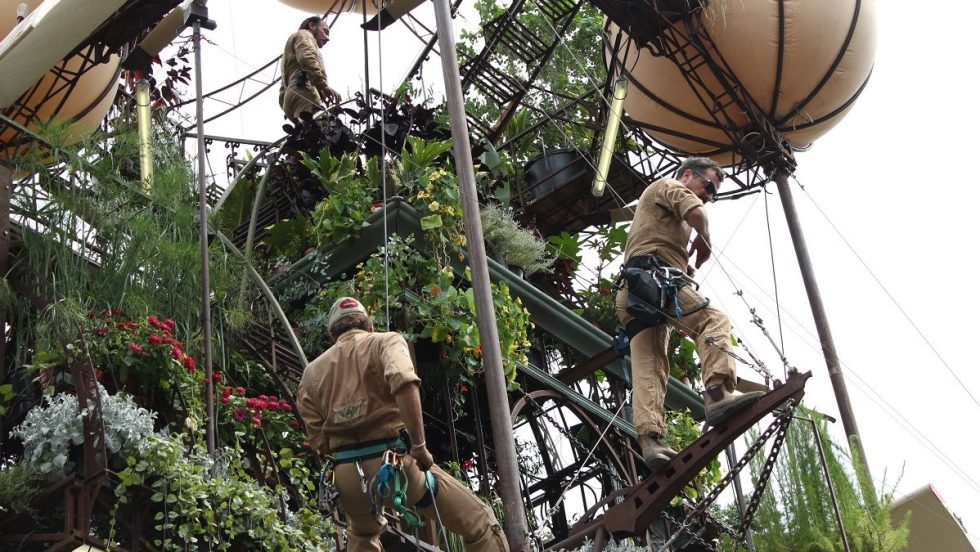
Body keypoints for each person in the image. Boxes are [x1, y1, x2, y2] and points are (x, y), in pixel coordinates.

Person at [297, 297, 508, 552]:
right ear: (369, 326)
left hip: (348, 479)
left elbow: (316, 434)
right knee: (481, 522)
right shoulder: (385, 341)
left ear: (333, 335)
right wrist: (419, 446)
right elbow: (404, 381)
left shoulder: (312, 371)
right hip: (394, 466)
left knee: (362, 536)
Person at [615, 157, 765, 471]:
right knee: (713, 320)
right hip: (653, 281)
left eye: (714, 193)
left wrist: (687, 262)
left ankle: (651, 441)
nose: (709, 195)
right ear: (687, 175)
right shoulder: (669, 186)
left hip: (634, 291)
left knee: (651, 365)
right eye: (707, 185)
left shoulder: (668, 217)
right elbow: (698, 213)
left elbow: (672, 241)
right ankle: (718, 392)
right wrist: (705, 239)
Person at [279, 16, 342, 121]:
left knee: (308, 134)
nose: (327, 38)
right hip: (304, 91)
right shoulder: (305, 34)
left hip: (290, 98)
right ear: (312, 26)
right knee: (325, 131)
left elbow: (283, 88)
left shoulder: (287, 55)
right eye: (325, 31)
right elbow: (306, 58)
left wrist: (320, 93)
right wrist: (323, 86)